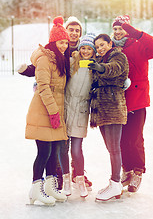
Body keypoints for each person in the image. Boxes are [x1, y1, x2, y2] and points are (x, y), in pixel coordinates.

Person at [17, 16, 92, 190]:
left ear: (80, 33)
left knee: (71, 144)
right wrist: (29, 71)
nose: (73, 34)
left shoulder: (84, 50)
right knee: (57, 146)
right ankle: (57, 176)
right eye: (70, 30)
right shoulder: (53, 49)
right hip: (55, 102)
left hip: (73, 103)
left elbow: (91, 66)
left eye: (77, 30)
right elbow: (43, 68)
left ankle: (76, 172)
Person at [111, 15, 153, 192]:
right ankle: (126, 169)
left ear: (128, 29)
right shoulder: (111, 47)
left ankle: (137, 171)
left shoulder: (139, 44)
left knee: (134, 138)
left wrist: (136, 33)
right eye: (116, 29)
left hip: (137, 99)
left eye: (122, 29)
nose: (118, 32)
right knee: (121, 139)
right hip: (118, 100)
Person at [26, 16, 70, 205]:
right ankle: (36, 188)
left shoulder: (59, 59)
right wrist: (53, 113)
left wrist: (56, 113)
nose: (64, 46)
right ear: (53, 42)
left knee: (54, 152)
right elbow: (43, 87)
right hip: (44, 111)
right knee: (43, 152)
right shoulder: (45, 59)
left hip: (54, 111)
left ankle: (51, 187)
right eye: (61, 42)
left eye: (66, 43)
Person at [88, 34, 129, 201]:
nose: (100, 48)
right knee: (110, 148)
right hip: (102, 110)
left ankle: (115, 182)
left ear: (110, 43)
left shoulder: (118, 55)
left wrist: (100, 68)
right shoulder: (101, 58)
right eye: (97, 46)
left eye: (102, 45)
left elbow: (115, 68)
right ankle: (115, 183)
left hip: (113, 107)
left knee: (114, 149)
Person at [64, 33, 96, 197]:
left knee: (76, 149)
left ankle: (80, 180)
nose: (85, 51)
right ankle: (66, 181)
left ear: (93, 50)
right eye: (82, 48)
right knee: (63, 148)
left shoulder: (95, 67)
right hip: (67, 107)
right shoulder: (71, 62)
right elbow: (57, 74)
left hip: (82, 110)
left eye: (89, 48)